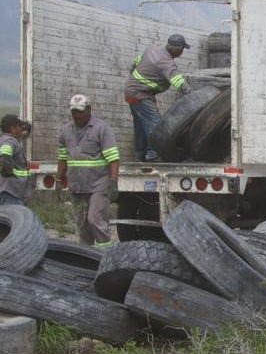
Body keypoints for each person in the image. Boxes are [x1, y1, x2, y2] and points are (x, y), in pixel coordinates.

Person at [57, 94, 120, 248]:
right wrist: (58, 180)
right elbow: (62, 158)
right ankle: (86, 260)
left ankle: (106, 255)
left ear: (89, 110)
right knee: (83, 225)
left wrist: (113, 182)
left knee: (95, 220)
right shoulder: (66, 131)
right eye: (74, 112)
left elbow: (113, 158)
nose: (76, 115)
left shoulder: (102, 129)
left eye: (80, 111)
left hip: (98, 184)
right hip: (77, 186)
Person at [125, 33, 192, 162]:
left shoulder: (152, 49)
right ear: (176, 49)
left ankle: (140, 154)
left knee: (140, 124)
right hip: (140, 95)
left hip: (130, 93)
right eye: (182, 49)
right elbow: (177, 80)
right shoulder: (166, 62)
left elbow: (134, 63)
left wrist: (135, 80)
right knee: (156, 124)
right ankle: (153, 154)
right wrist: (191, 93)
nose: (182, 52)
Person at [0, 114, 33, 206]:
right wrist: (8, 170)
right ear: (13, 128)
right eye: (20, 126)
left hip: (2, 189)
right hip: (10, 191)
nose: (22, 128)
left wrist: (26, 130)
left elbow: (17, 139)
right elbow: (5, 152)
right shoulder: (10, 142)